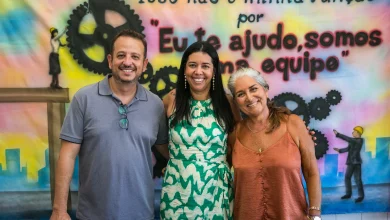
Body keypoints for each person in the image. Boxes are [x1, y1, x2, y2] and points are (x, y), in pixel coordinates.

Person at [50, 29, 169, 220]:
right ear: (110, 60)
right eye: (121, 55)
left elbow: (169, 151)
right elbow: (67, 155)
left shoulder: (155, 105)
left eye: (135, 57)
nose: (127, 62)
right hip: (92, 215)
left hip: (142, 215)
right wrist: (59, 210)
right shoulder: (84, 99)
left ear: (144, 64)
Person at [159, 41, 241, 219]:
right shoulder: (171, 100)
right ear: (184, 69)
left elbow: (237, 145)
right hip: (177, 191)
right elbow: (158, 141)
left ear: (213, 71)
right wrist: (178, 162)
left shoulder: (227, 103)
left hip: (216, 190)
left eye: (205, 66)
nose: (198, 72)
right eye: (192, 65)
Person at [227, 67, 322, 220]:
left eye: (253, 89)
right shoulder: (234, 134)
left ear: (265, 90)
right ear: (236, 101)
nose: (249, 97)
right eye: (240, 94)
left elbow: (311, 172)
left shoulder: (293, 124)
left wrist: (315, 214)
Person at [333, 126, 365, 203]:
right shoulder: (353, 141)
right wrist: (339, 150)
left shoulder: (359, 140)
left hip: (355, 162)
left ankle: (360, 196)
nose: (352, 133)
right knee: (348, 178)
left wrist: (338, 134)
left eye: (354, 131)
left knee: (357, 179)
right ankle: (348, 194)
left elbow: (348, 139)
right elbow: (348, 149)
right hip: (351, 162)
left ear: (358, 133)